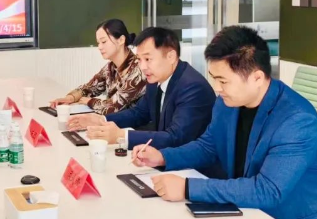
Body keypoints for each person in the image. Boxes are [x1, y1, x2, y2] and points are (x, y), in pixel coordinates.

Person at [133, 26, 317, 219]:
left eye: (223, 80)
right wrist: (163, 157)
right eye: (214, 78)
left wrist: (187, 187)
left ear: (257, 78)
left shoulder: (296, 120)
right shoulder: (227, 102)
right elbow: (208, 146)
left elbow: (267, 190)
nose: (216, 88)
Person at [68, 27, 216, 151]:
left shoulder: (192, 87)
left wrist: (121, 136)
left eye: (148, 59)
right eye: (139, 59)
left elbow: (175, 137)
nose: (143, 67)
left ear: (170, 56)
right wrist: (101, 120)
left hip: (195, 169)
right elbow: (139, 113)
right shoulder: (155, 78)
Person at [49, 19, 146, 115]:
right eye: (98, 43)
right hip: (113, 121)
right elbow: (89, 88)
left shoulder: (138, 68)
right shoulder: (110, 67)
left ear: (121, 40)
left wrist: (90, 101)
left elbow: (115, 106)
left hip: (134, 124)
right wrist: (69, 98)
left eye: (103, 42)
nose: (99, 47)